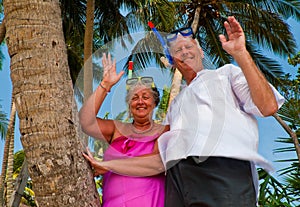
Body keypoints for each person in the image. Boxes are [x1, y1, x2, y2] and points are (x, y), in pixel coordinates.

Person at [83, 16, 285, 207]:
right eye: (178, 50)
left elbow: (268, 106)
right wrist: (110, 165)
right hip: (177, 182)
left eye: (189, 46)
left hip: (221, 168)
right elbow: (157, 163)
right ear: (172, 60)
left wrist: (240, 53)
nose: (185, 52)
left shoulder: (226, 75)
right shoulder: (175, 106)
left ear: (201, 52)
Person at [79, 53, 168, 207]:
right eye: (134, 98)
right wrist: (105, 84)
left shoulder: (164, 130)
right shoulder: (116, 129)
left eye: (145, 97)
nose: (140, 101)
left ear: (154, 103)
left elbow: (156, 164)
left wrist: (108, 165)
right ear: (129, 104)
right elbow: (85, 122)